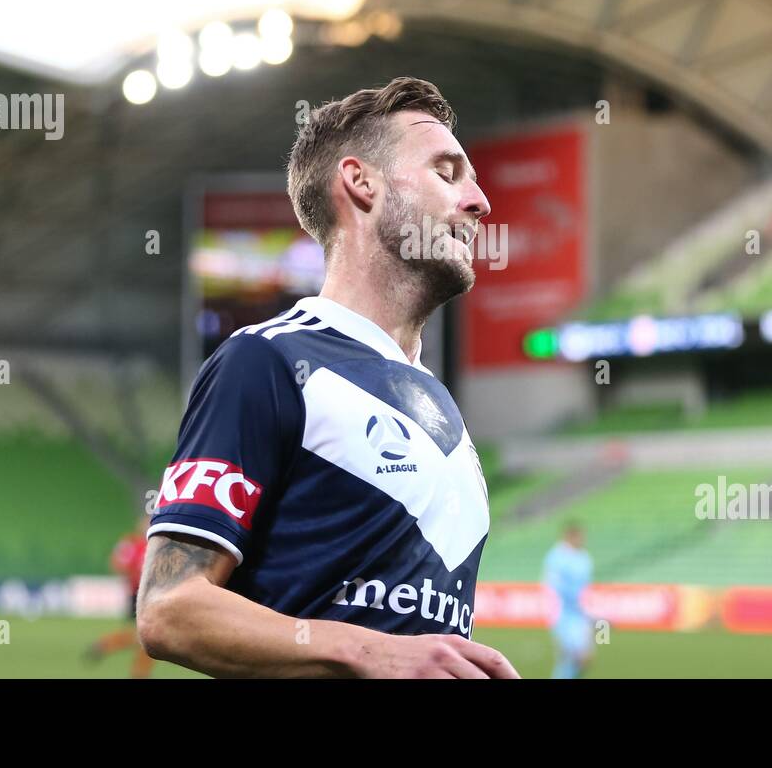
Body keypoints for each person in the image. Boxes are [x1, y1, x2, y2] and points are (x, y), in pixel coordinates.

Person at [137, 77, 519, 678]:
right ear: (360, 182)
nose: (480, 201)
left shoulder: (441, 406)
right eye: (448, 173)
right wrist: (372, 651)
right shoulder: (266, 363)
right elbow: (169, 608)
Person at [84, 516, 154, 678]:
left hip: (150, 595)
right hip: (138, 595)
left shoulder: (155, 543)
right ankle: (108, 646)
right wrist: (133, 577)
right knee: (146, 635)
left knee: (145, 635)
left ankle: (106, 646)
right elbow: (117, 563)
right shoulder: (132, 543)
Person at [543, 521, 594, 679]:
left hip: (579, 615)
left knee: (584, 658)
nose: (582, 539)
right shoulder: (557, 557)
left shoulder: (584, 558)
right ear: (569, 536)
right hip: (562, 613)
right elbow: (552, 586)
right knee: (572, 656)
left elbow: (585, 588)